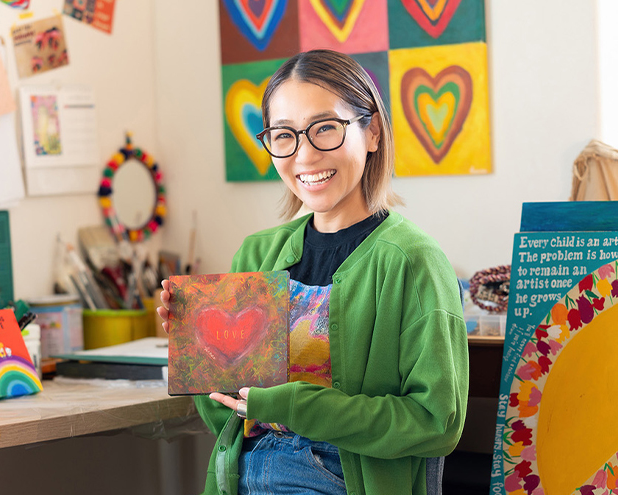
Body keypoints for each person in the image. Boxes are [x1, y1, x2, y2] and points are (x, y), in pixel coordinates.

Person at [157, 49, 468, 495]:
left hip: (340, 479)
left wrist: (296, 406)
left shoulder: (413, 261)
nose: (304, 154)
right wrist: (195, 350)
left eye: (325, 128)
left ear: (373, 131)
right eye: (284, 135)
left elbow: (437, 422)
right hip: (238, 480)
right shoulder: (256, 255)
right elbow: (226, 419)